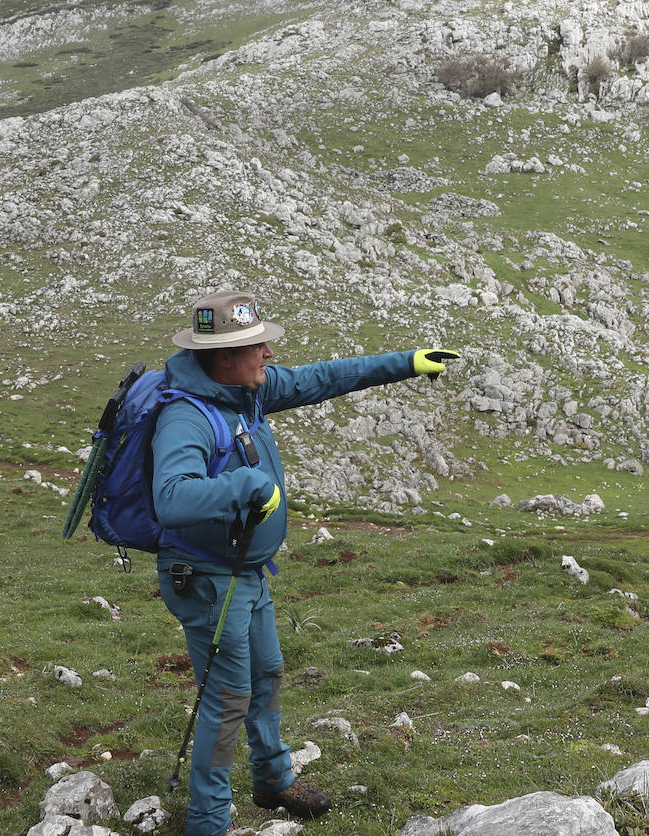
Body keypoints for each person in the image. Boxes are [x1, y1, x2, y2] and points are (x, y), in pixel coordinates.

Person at [152, 289, 458, 836]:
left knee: (267, 674)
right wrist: (248, 483)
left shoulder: (247, 393)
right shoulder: (186, 418)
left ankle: (272, 781)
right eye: (257, 346)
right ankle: (208, 823)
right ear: (225, 357)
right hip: (209, 581)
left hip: (247, 572)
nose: (269, 354)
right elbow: (171, 499)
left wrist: (407, 363)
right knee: (226, 701)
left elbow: (325, 378)